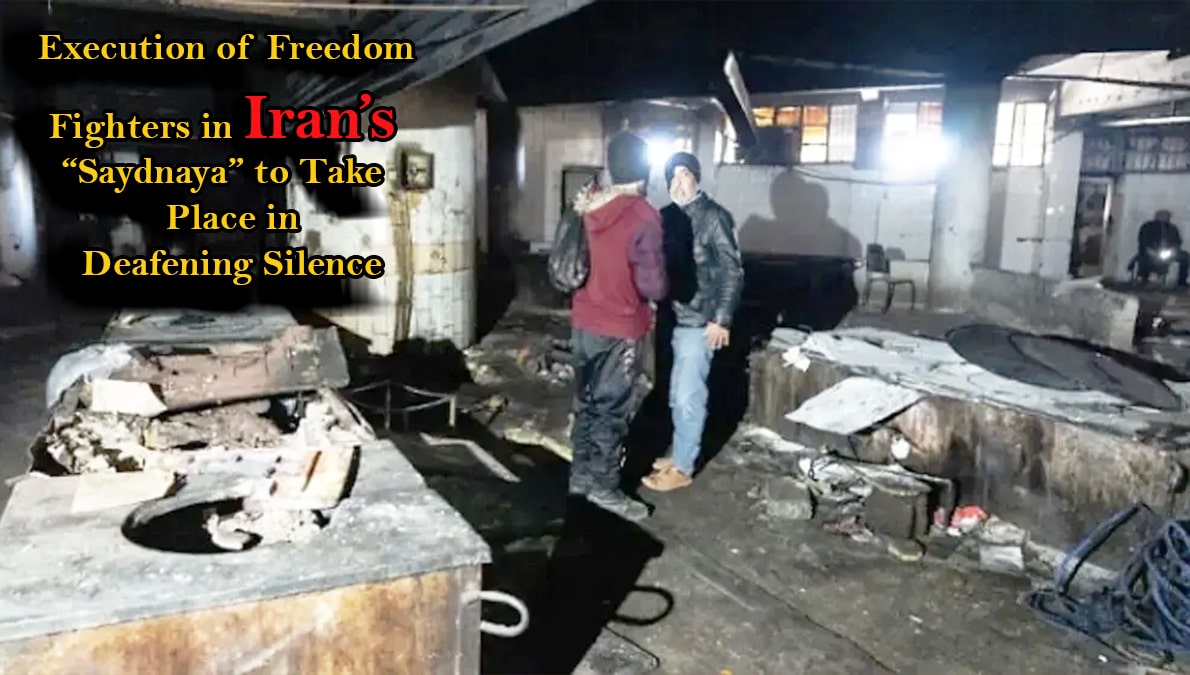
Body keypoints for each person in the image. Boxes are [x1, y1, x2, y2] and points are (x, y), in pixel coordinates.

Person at [566, 131, 667, 522]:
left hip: (584, 321)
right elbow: (652, 285)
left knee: (586, 402)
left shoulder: (588, 206)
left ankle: (580, 476)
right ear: (645, 169)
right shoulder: (643, 215)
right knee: (611, 409)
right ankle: (605, 488)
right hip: (621, 326)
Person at [642, 152, 744, 493]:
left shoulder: (714, 217)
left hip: (699, 322)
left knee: (688, 396)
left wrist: (722, 319)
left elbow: (732, 271)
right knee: (674, 394)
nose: (678, 182)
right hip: (670, 318)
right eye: (672, 176)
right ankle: (679, 452)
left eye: (685, 174)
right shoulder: (666, 216)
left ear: (697, 178)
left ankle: (683, 467)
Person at [1135, 209, 1189, 287]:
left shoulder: (1173, 228)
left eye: (1167, 216)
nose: (1165, 218)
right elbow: (1143, 241)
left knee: (1185, 256)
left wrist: (1173, 250)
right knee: (1144, 258)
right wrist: (1151, 251)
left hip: (1168, 253)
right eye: (1163, 216)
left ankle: (1182, 282)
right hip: (1151, 252)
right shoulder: (1147, 226)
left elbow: (1178, 242)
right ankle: (1143, 279)